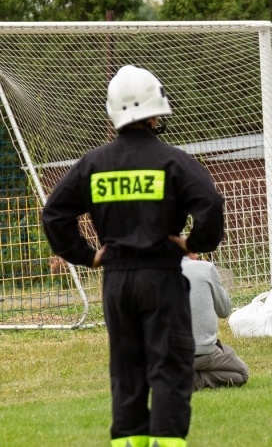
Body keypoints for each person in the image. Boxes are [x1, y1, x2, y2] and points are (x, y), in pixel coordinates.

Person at [41, 65, 225, 447]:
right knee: (169, 366)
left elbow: (54, 214)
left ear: (114, 113)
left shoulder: (92, 164)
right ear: (156, 112)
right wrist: (193, 245)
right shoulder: (174, 161)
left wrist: (87, 255)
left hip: (117, 281)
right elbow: (210, 203)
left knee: (126, 369)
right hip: (162, 276)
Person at [181, 253, 249, 391]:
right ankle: (196, 381)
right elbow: (224, 310)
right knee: (242, 374)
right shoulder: (206, 268)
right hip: (203, 351)